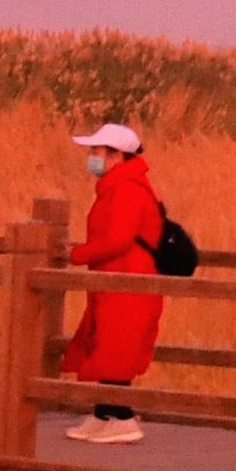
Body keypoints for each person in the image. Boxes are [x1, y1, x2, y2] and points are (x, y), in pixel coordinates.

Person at [56, 122, 169, 442]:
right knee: (107, 343)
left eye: (97, 151)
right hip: (118, 277)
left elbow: (118, 238)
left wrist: (77, 254)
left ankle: (122, 418)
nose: (92, 157)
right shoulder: (120, 184)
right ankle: (104, 413)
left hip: (129, 279)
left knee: (118, 346)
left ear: (117, 155)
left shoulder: (128, 188)